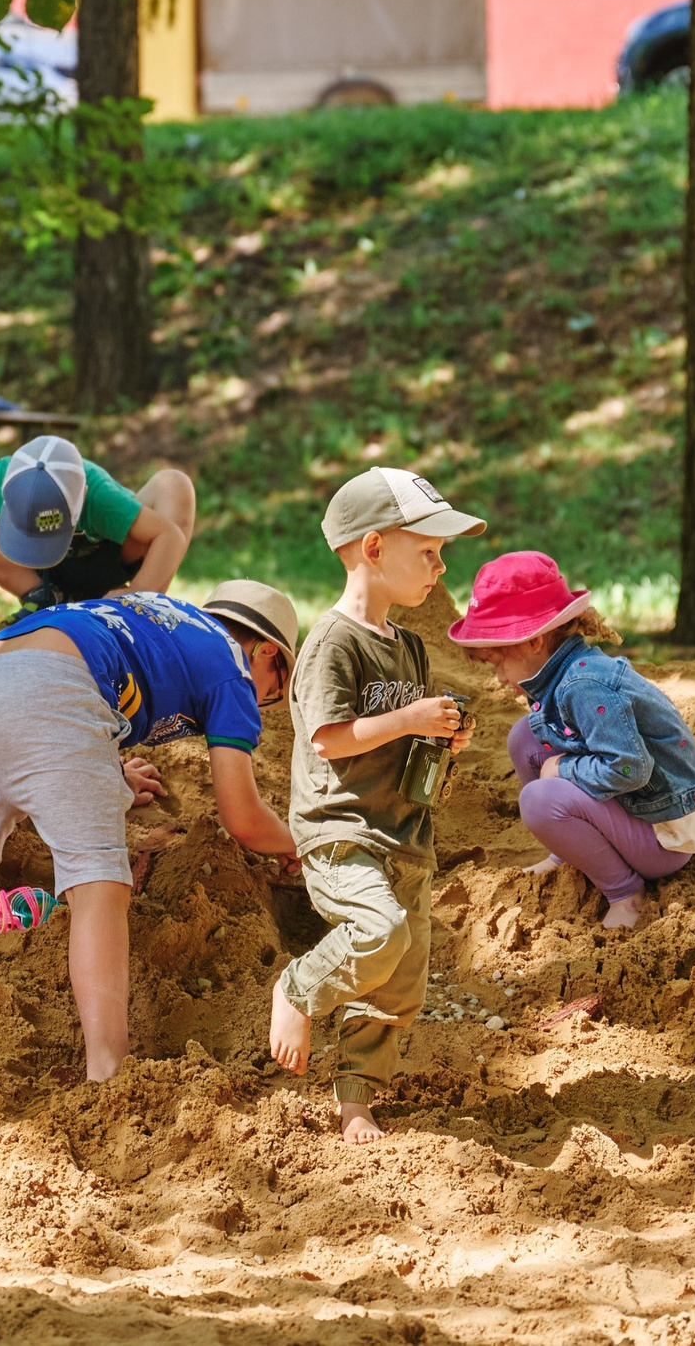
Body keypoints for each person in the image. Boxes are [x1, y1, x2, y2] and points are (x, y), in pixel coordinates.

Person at [0, 580, 301, 1082]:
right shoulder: (233, 671)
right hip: (58, 690)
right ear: (267, 654)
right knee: (99, 882)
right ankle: (108, 1065)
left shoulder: (167, 614)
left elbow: (104, 668)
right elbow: (243, 817)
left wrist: (108, 771)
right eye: (272, 695)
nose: (261, 707)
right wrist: (297, 839)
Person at [268, 466, 484, 1146]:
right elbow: (330, 739)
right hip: (344, 828)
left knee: (400, 984)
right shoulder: (334, 641)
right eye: (427, 551)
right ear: (372, 548)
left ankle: (356, 1095)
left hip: (405, 832)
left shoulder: (409, 646)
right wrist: (411, 716)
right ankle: (298, 989)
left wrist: (442, 734)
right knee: (378, 930)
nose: (440, 566)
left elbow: (403, 738)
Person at [449, 551, 695, 932]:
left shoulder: (585, 686)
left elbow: (630, 767)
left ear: (535, 640)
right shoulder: (560, 670)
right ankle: (568, 848)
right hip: (640, 809)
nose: (500, 677)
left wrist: (562, 769)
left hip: (664, 838)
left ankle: (625, 893)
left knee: (538, 801)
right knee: (524, 736)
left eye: (498, 662)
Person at [0, 435, 193, 607]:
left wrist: (137, 593)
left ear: (79, 498)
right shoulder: (0, 478)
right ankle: (43, 598)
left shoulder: (98, 496)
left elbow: (171, 537)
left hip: (108, 561)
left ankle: (143, 612)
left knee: (175, 484)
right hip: (47, 573)